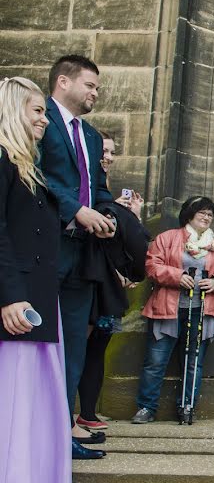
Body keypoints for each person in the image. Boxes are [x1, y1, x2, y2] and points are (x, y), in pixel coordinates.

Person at [0, 77, 73, 483]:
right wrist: (9, 296)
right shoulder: (3, 164)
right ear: (12, 110)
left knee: (34, 402)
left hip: (41, 297)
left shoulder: (30, 168)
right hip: (18, 300)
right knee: (14, 402)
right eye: (36, 111)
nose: (45, 120)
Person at [39, 54, 115, 460]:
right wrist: (74, 209)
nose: (94, 93)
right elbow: (36, 173)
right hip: (43, 247)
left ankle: (59, 436)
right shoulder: (39, 121)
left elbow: (97, 188)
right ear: (63, 82)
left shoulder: (90, 136)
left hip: (81, 253)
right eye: (90, 85)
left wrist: (107, 215)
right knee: (33, 344)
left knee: (72, 348)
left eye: (97, 88)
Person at [131, 196, 214, 423]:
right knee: (156, 361)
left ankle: (187, 407)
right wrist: (177, 276)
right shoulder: (167, 239)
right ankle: (146, 408)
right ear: (189, 213)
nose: (207, 217)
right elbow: (151, 266)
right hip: (168, 308)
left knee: (194, 362)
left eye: (210, 214)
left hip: (202, 310)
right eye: (203, 212)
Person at [77, 133, 148, 432]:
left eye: (112, 152)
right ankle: (72, 415)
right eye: (104, 150)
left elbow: (123, 242)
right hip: (89, 279)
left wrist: (134, 215)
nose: (108, 156)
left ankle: (87, 412)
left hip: (107, 287)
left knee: (96, 349)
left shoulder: (106, 195)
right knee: (78, 348)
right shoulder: (86, 189)